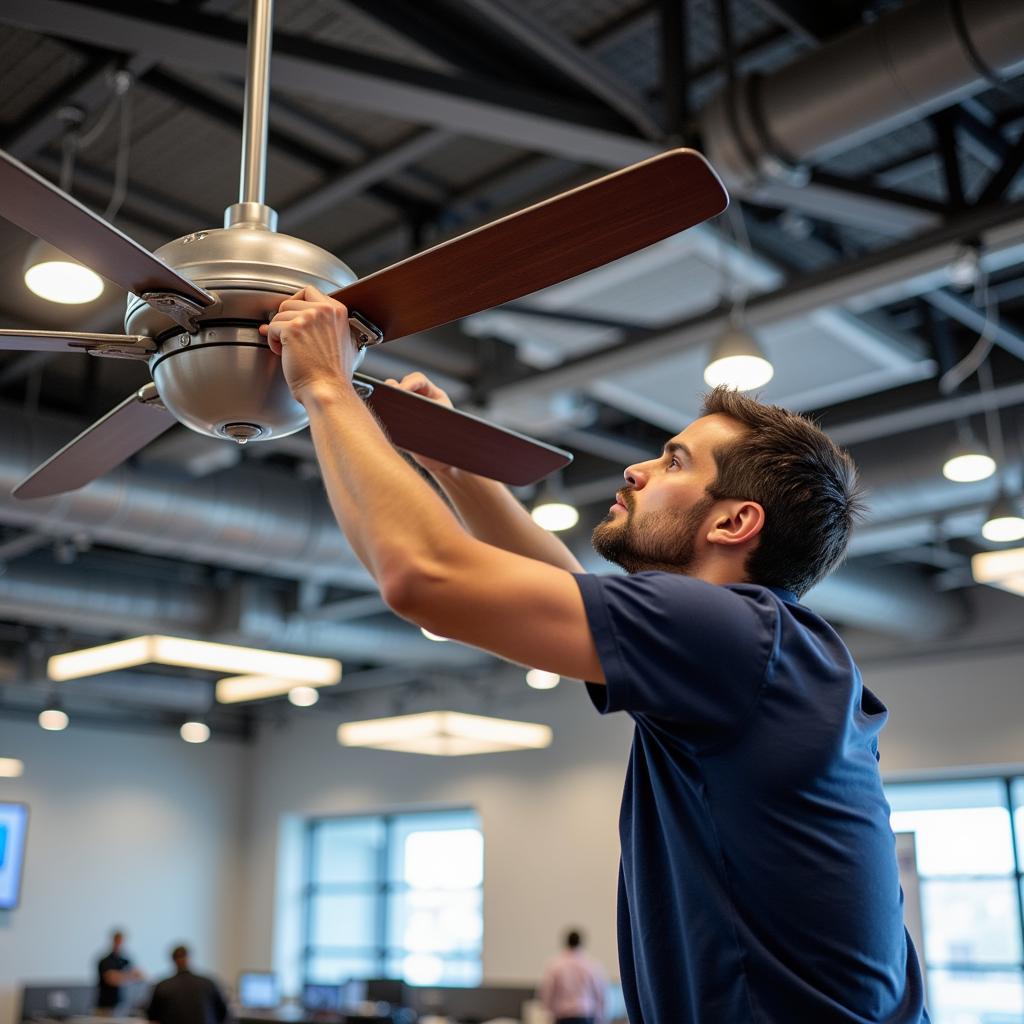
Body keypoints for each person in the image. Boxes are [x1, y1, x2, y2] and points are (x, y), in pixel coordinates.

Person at [260, 288, 929, 1023]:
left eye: (674, 461)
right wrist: (454, 469)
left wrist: (324, 384)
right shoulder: (757, 649)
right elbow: (562, 588)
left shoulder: (739, 635)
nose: (638, 469)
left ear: (736, 520)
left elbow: (423, 575)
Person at [147, 945, 228, 1024]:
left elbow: (152, 1017)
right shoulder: (208, 983)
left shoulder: (162, 986)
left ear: (173, 960)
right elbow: (223, 1014)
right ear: (189, 958)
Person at [539, 929, 606, 1024]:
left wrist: (548, 1011)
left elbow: (547, 991)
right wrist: (600, 1016)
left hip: (563, 1016)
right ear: (581, 943)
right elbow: (600, 993)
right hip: (585, 1015)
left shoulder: (555, 965)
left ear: (566, 943)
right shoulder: (591, 965)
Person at [96, 929, 143, 1013]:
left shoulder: (124, 960)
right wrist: (129, 976)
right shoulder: (105, 961)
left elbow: (140, 975)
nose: (120, 944)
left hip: (122, 1005)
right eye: (118, 941)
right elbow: (112, 979)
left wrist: (124, 976)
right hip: (106, 1006)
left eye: (121, 941)